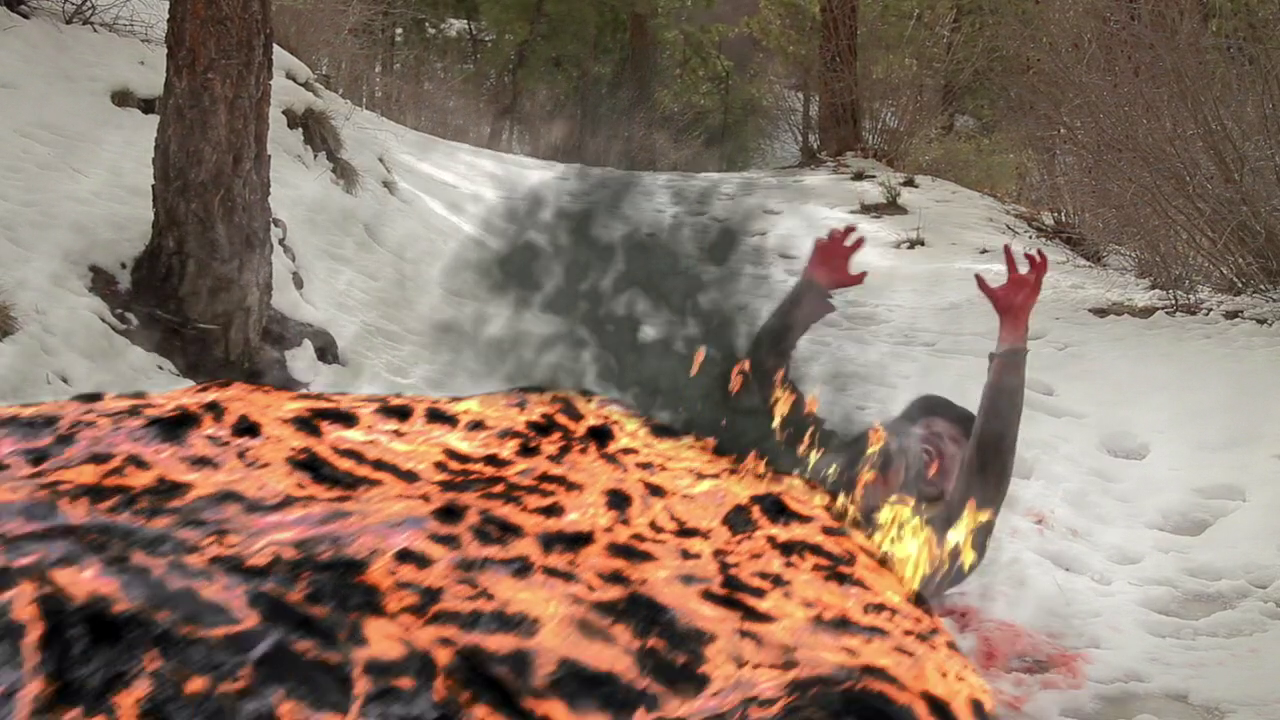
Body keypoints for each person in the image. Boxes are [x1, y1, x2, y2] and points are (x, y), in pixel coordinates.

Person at [742, 224, 1048, 602]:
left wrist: (1013, 335)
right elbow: (763, 378)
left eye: (955, 443)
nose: (937, 438)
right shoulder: (832, 466)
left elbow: (990, 456)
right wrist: (810, 290)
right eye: (927, 427)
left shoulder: (946, 540)